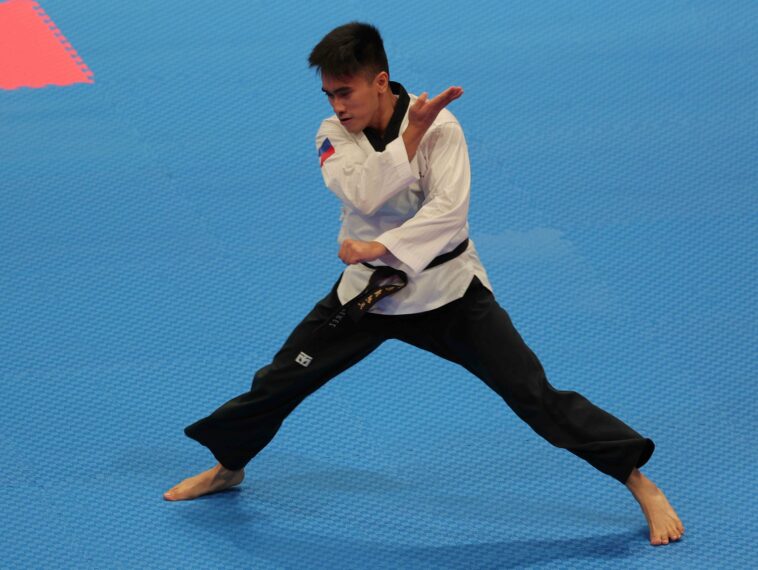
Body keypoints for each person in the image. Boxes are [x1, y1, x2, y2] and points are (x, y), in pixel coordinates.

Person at [164, 21, 684, 547]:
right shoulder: (331, 134)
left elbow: (449, 214)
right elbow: (363, 193)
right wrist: (408, 141)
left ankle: (639, 482)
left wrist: (379, 246)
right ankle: (230, 465)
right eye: (329, 94)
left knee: (533, 394)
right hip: (369, 295)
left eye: (346, 92)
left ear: (380, 81)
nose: (338, 105)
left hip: (448, 293)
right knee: (279, 380)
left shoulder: (444, 128)